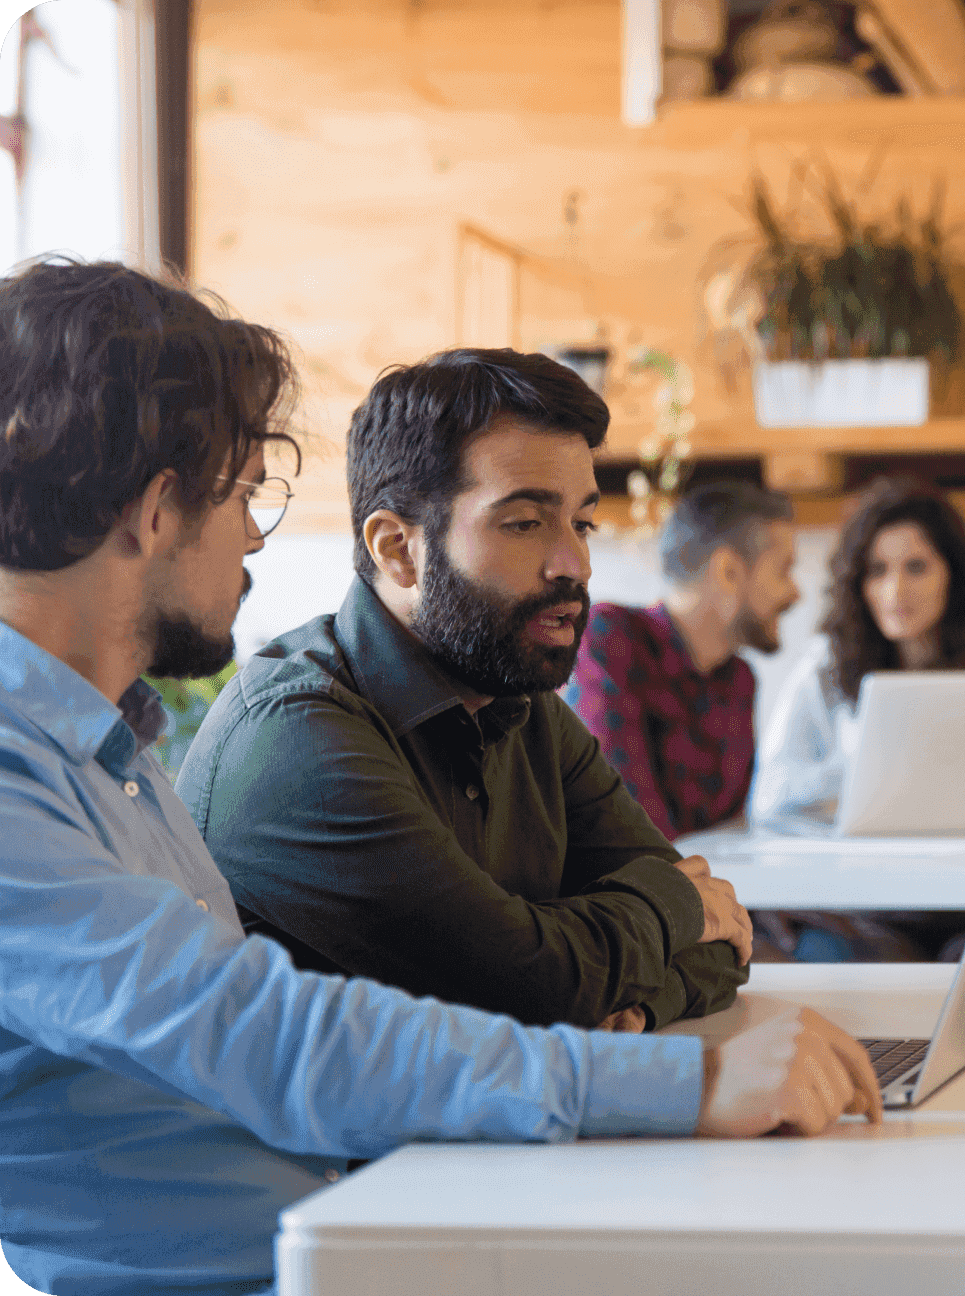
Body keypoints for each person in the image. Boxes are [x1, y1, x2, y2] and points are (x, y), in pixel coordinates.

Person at [0, 259, 882, 1296]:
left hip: (380, 1217)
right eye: (242, 492)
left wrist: (632, 1018)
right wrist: (681, 1080)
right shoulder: (31, 781)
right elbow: (270, 1034)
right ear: (154, 512)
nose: (253, 534)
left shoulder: (110, 752)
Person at [179, 350, 754, 1035]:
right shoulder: (294, 735)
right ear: (398, 549)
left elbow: (723, 940)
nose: (575, 564)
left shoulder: (523, 705)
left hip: (494, 1132)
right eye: (524, 523)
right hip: (340, 1146)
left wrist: (635, 1002)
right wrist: (670, 914)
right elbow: (522, 985)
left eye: (582, 522)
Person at [748, 474, 965, 964]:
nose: (895, 590)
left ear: (952, 574)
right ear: (857, 581)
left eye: (916, 567)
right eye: (877, 570)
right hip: (870, 905)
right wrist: (861, 763)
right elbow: (769, 799)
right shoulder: (827, 666)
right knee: (834, 951)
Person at [563, 480, 799, 841]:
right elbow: (626, 827)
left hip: (702, 888)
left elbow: (728, 834)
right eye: (783, 570)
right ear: (728, 571)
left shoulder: (739, 680)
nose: (795, 592)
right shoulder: (611, 639)